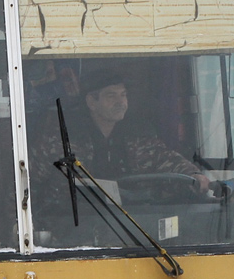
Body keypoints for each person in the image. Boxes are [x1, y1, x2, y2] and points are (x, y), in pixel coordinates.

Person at [65, 69, 209, 191]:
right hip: (73, 219)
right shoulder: (65, 140)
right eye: (111, 95)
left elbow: (166, 158)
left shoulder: (138, 136)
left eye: (123, 95)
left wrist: (194, 175)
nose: (121, 102)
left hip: (133, 220)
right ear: (91, 101)